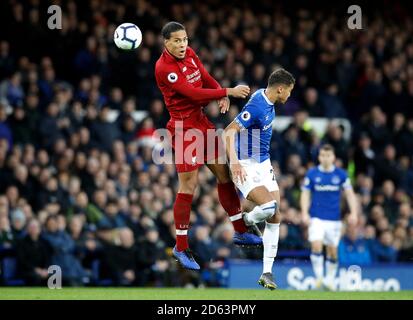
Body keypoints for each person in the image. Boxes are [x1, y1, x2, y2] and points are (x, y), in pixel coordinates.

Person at [154, 21, 261, 270]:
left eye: (185, 39)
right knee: (188, 187)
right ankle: (180, 247)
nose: (182, 45)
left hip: (202, 123)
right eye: (177, 41)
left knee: (224, 175)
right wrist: (228, 91)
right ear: (166, 42)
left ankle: (239, 230)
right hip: (184, 130)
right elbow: (192, 93)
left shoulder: (190, 54)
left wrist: (219, 92)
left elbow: (204, 77)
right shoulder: (163, 68)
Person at [224, 68, 295, 290]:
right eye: (290, 92)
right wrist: (234, 162)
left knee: (276, 216)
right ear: (280, 89)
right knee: (269, 207)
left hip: (263, 163)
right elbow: (228, 132)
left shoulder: (267, 100)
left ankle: (267, 272)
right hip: (245, 165)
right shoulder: (257, 105)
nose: (290, 96)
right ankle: (244, 222)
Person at [300, 144, 358, 290]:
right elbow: (305, 194)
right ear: (319, 157)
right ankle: (319, 278)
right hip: (317, 217)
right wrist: (304, 213)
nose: (325, 158)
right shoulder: (312, 174)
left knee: (332, 251)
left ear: (333, 157)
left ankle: (330, 280)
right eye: (323, 155)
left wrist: (354, 213)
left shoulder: (341, 174)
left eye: (328, 155)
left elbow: (350, 194)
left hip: (334, 219)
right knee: (316, 245)